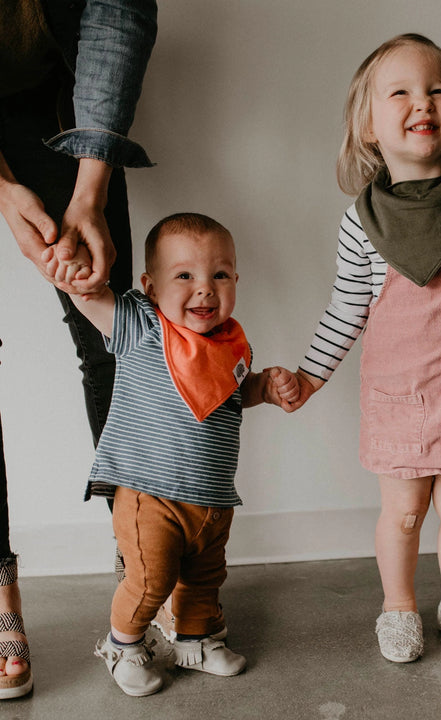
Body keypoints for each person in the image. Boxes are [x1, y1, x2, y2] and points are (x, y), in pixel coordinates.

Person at [289, 34, 441, 663]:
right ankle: (398, 607)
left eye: (436, 90)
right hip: (403, 401)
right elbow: (346, 308)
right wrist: (310, 376)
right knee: (404, 515)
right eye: (399, 92)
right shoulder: (359, 221)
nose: (421, 102)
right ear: (369, 127)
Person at [41, 212, 300, 696]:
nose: (204, 289)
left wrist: (267, 386)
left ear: (236, 280)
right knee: (150, 580)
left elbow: (233, 394)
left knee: (204, 579)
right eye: (184, 276)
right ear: (151, 286)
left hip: (213, 499)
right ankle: (122, 644)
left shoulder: (230, 344)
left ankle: (194, 641)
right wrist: (76, 271)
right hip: (148, 496)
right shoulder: (140, 325)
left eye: (219, 275)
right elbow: (90, 298)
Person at [0, 0, 157, 699]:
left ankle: (142, 561)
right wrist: (3, 192)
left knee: (111, 335)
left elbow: (115, 11)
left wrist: (88, 187)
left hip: (53, 97)